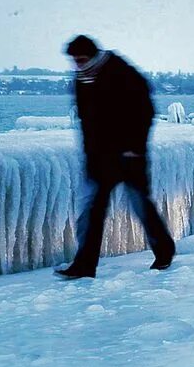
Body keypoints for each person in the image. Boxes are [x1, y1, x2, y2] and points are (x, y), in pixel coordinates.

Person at [56, 35, 176, 278]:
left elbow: (145, 111)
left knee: (141, 206)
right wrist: (90, 156)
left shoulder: (122, 73)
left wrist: (134, 147)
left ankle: (164, 251)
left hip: (130, 157)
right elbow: (87, 122)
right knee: (91, 212)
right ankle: (85, 265)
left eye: (80, 60)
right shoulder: (82, 79)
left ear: (92, 56)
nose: (77, 65)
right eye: (74, 61)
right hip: (100, 158)